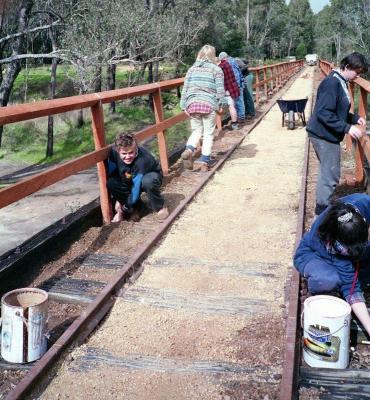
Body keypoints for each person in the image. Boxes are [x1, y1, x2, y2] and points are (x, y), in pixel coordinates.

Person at [294, 193, 370, 336]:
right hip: (312, 255)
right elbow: (351, 288)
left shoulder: (364, 203)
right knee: (328, 279)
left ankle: (360, 278)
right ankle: (328, 292)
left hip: (346, 248)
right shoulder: (326, 238)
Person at [307, 52, 368, 217]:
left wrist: (354, 118)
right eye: (357, 71)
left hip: (326, 133)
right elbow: (324, 113)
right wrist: (347, 128)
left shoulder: (340, 81)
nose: (358, 76)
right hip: (323, 135)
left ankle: (323, 206)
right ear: (347, 67)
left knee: (328, 171)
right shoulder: (332, 83)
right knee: (331, 174)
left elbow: (337, 110)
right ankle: (322, 212)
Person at [180, 44, 226, 172]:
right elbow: (220, 90)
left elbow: (185, 89)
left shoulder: (192, 69)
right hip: (208, 104)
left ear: (200, 54)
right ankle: (205, 160)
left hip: (193, 104)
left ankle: (189, 149)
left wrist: (183, 106)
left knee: (196, 131)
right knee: (208, 133)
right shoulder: (216, 70)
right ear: (213, 56)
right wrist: (221, 105)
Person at [107, 133, 169, 222]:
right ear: (117, 150)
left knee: (147, 181)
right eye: (124, 153)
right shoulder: (113, 153)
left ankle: (160, 206)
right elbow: (112, 173)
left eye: (131, 152)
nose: (127, 157)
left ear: (136, 149)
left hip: (149, 175)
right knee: (111, 182)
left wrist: (124, 208)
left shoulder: (142, 160)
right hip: (128, 175)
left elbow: (136, 187)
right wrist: (118, 200)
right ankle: (137, 208)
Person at [218, 52, 245, 124]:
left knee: (236, 103)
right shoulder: (233, 61)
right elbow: (238, 72)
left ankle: (240, 118)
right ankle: (238, 118)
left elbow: (235, 75)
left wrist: (238, 84)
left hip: (232, 86)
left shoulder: (226, 64)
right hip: (235, 85)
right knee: (236, 103)